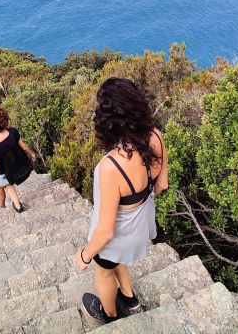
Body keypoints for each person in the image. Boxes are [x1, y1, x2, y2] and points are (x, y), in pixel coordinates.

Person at [73, 78, 168, 324]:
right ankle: (129, 299)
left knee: (103, 270)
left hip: (117, 234)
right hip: (142, 224)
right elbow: (162, 185)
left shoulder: (110, 166)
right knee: (119, 259)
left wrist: (84, 255)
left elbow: (105, 233)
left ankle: (110, 315)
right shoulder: (156, 136)